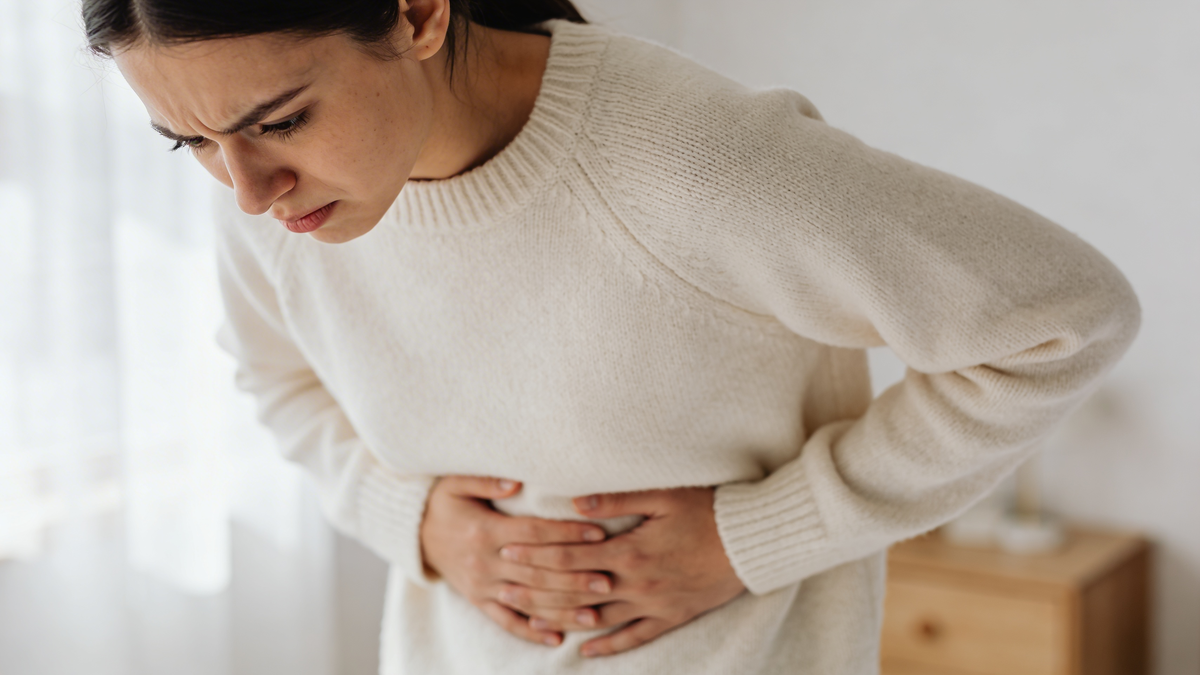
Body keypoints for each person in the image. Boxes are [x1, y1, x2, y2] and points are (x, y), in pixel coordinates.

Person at [84, 0, 1141, 673]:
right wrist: (413, 520)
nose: (247, 188)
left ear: (418, 13)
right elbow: (276, 380)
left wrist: (758, 535)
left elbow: (1059, 320)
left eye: (279, 121)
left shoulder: (691, 162)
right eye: (189, 142)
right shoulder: (274, 208)